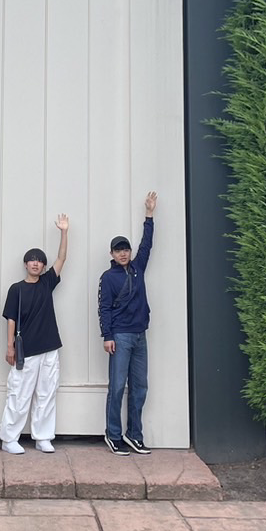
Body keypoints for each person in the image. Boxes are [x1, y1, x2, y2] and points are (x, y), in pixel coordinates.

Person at [0, 215, 69, 454]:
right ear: (25, 264)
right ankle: (9, 439)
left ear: (44, 266)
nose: (36, 264)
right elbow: (11, 318)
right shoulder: (16, 289)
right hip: (26, 351)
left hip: (50, 348)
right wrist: (10, 347)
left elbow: (62, 258)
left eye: (40, 261)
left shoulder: (47, 283)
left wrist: (64, 232)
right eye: (32, 260)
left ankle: (43, 437)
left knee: (47, 394)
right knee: (19, 394)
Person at [98, 192, 157, 454]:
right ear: (111, 253)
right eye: (118, 250)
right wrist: (107, 335)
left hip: (140, 335)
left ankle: (134, 434)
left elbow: (147, 245)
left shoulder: (138, 267)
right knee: (117, 387)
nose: (123, 253)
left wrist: (149, 215)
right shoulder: (108, 277)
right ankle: (113, 435)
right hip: (120, 337)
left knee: (140, 387)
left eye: (126, 250)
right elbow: (103, 308)